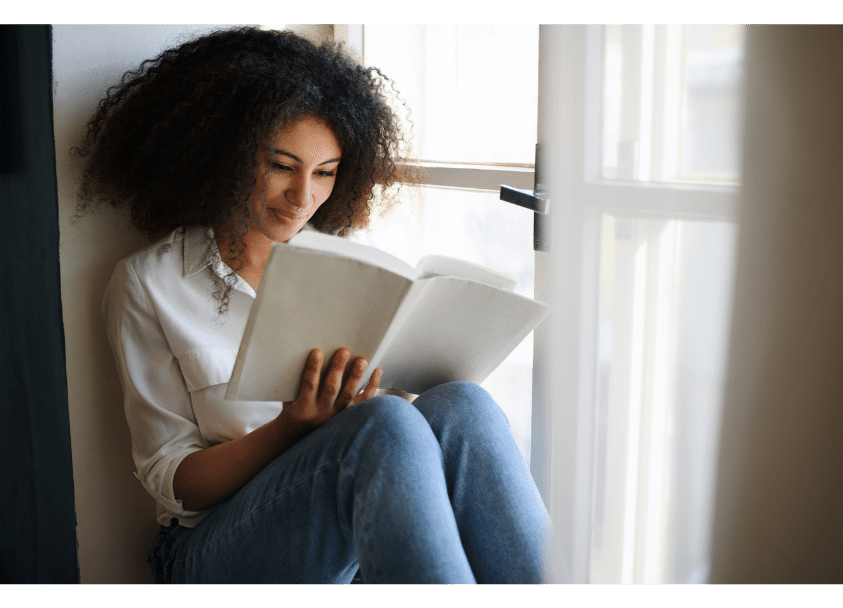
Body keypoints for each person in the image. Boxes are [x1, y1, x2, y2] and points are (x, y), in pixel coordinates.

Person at [75, 26, 548, 584]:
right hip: (208, 542)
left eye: (325, 173)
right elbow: (173, 481)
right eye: (281, 166)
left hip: (340, 505)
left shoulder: (349, 267)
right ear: (225, 156)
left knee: (461, 403)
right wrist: (293, 427)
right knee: (386, 424)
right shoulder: (148, 283)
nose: (304, 197)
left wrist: (384, 389)